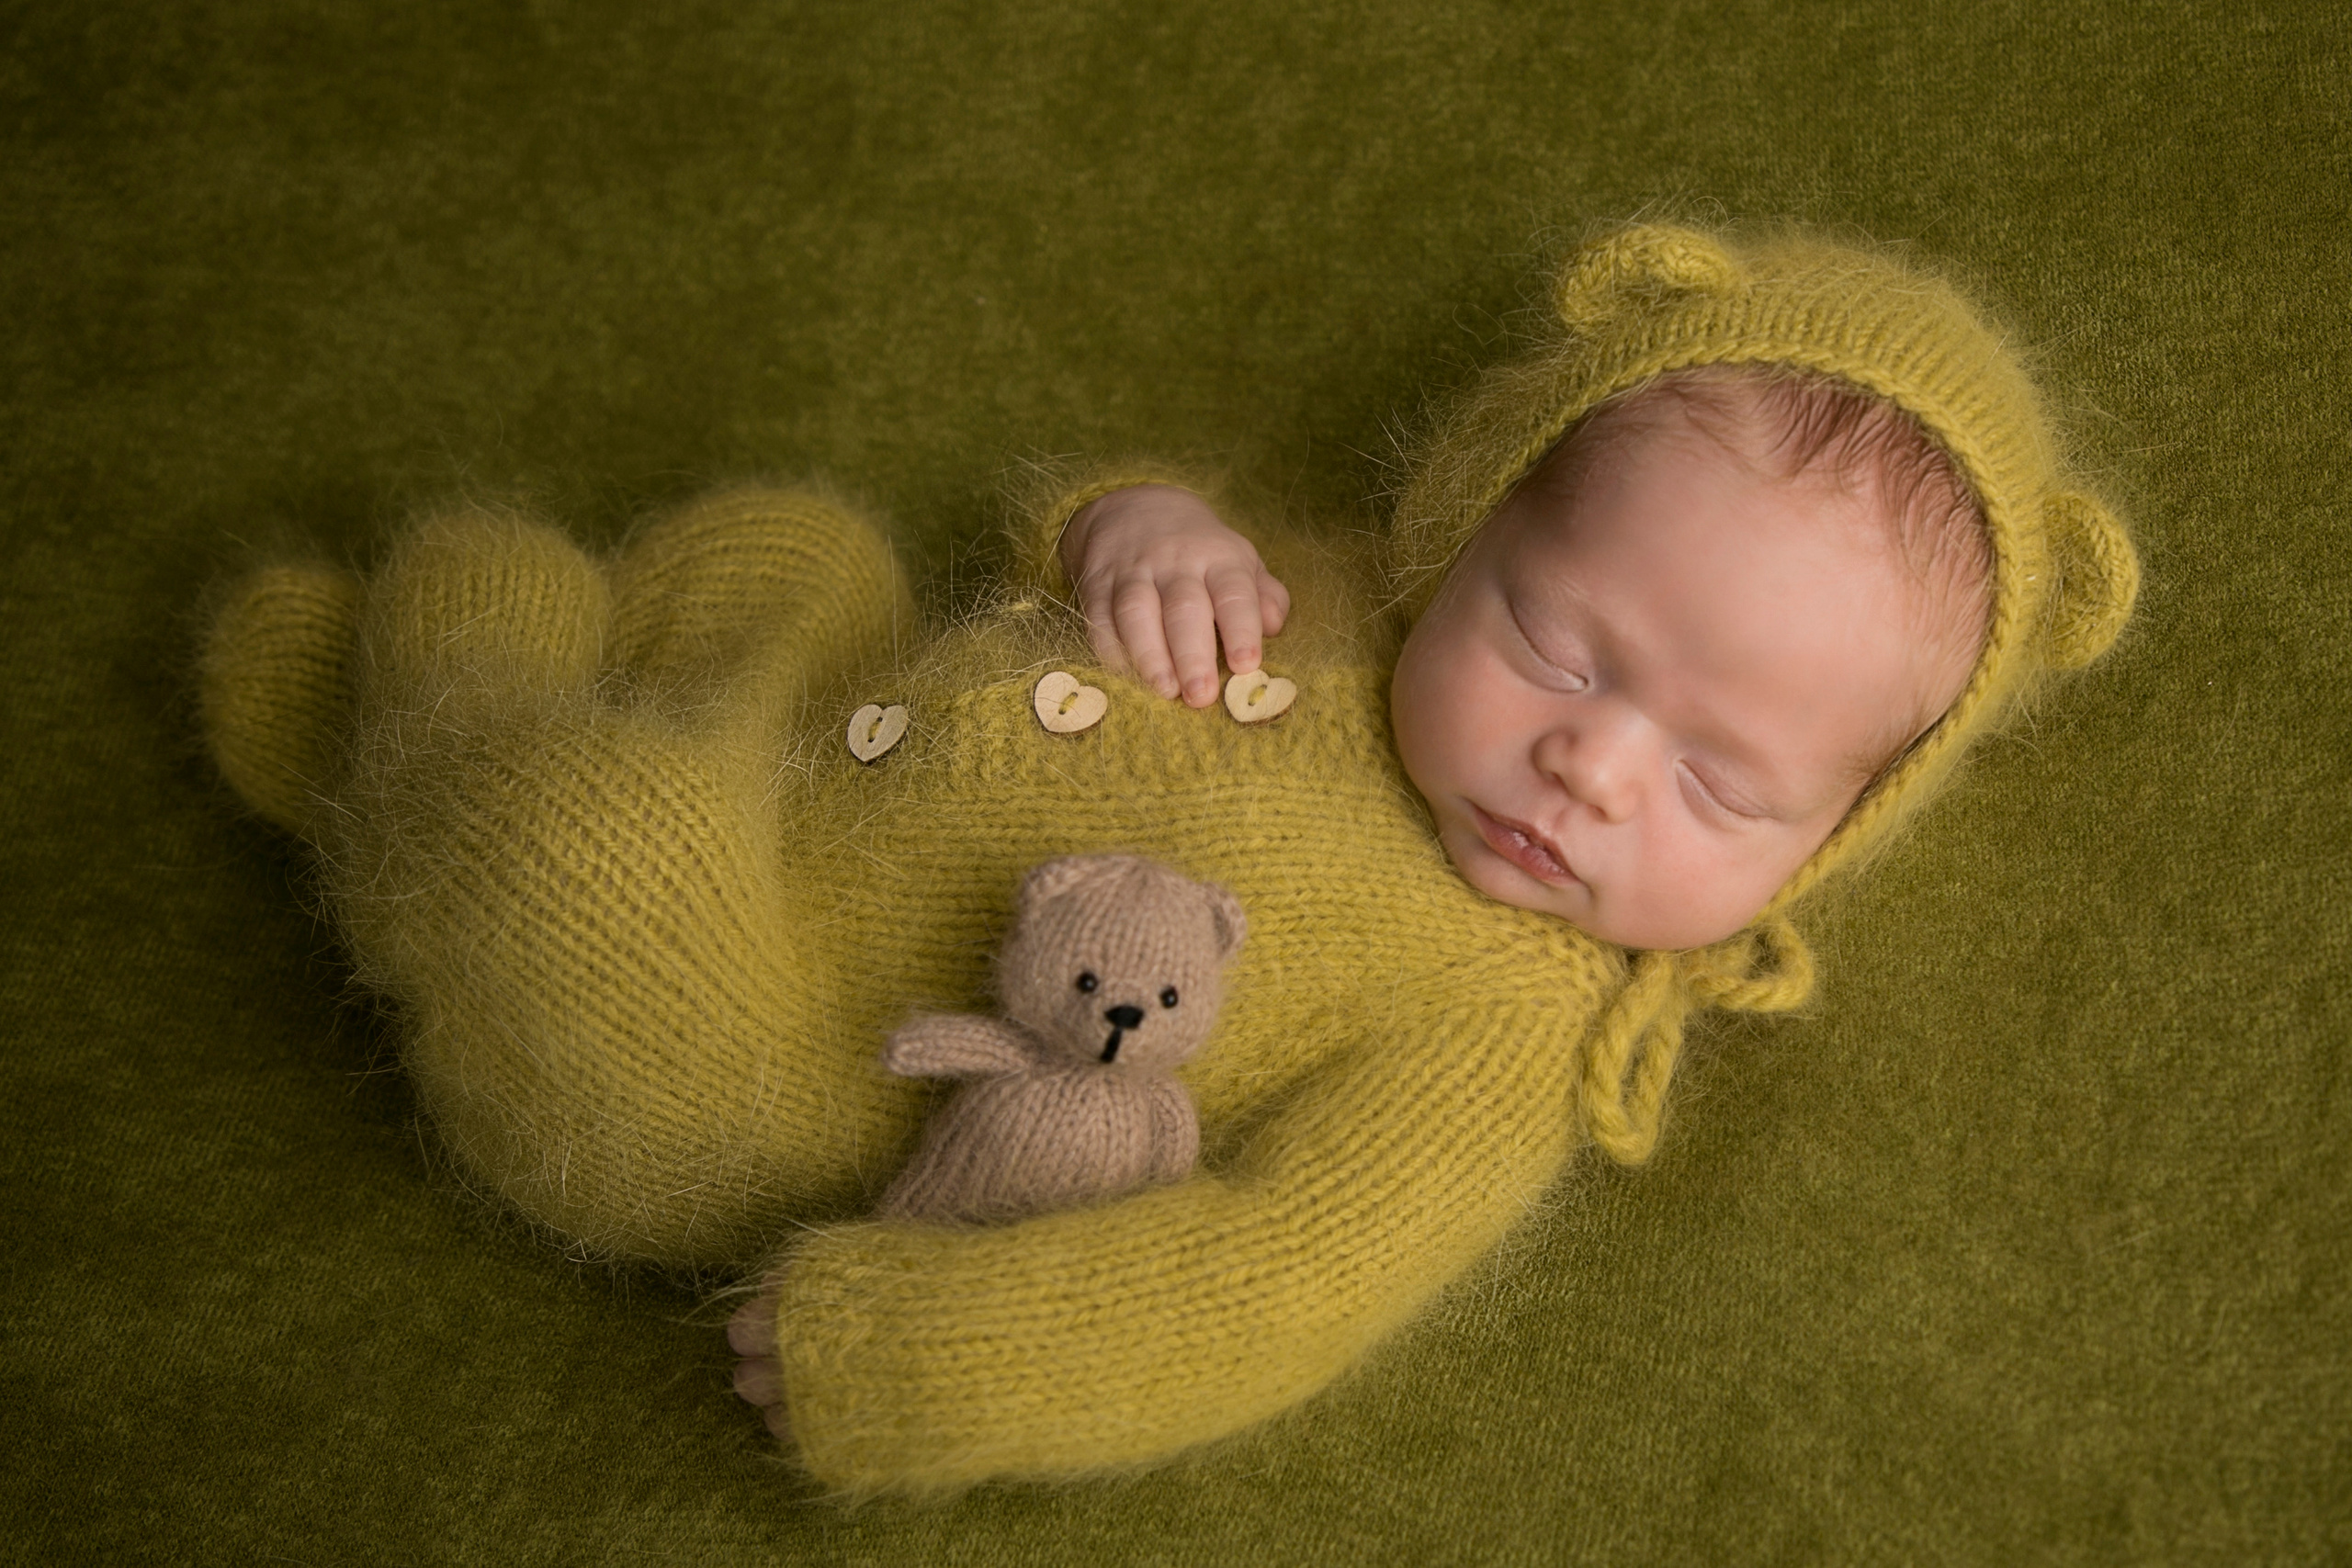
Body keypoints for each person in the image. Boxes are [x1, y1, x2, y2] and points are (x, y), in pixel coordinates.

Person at [200, 222, 2138, 1495]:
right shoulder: (1360, 597)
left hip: (782, 1069)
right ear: (1462, 528)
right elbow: (1099, 544)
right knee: (785, 551)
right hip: (825, 749)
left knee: (578, 847)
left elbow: (1270, 1272)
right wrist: (1135, 528)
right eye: (1556, 645)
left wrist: (926, 1362)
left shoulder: (1497, 1023)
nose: (1590, 763)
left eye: (1721, 785)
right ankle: (453, 742)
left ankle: (438, 676)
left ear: (1831, 836)